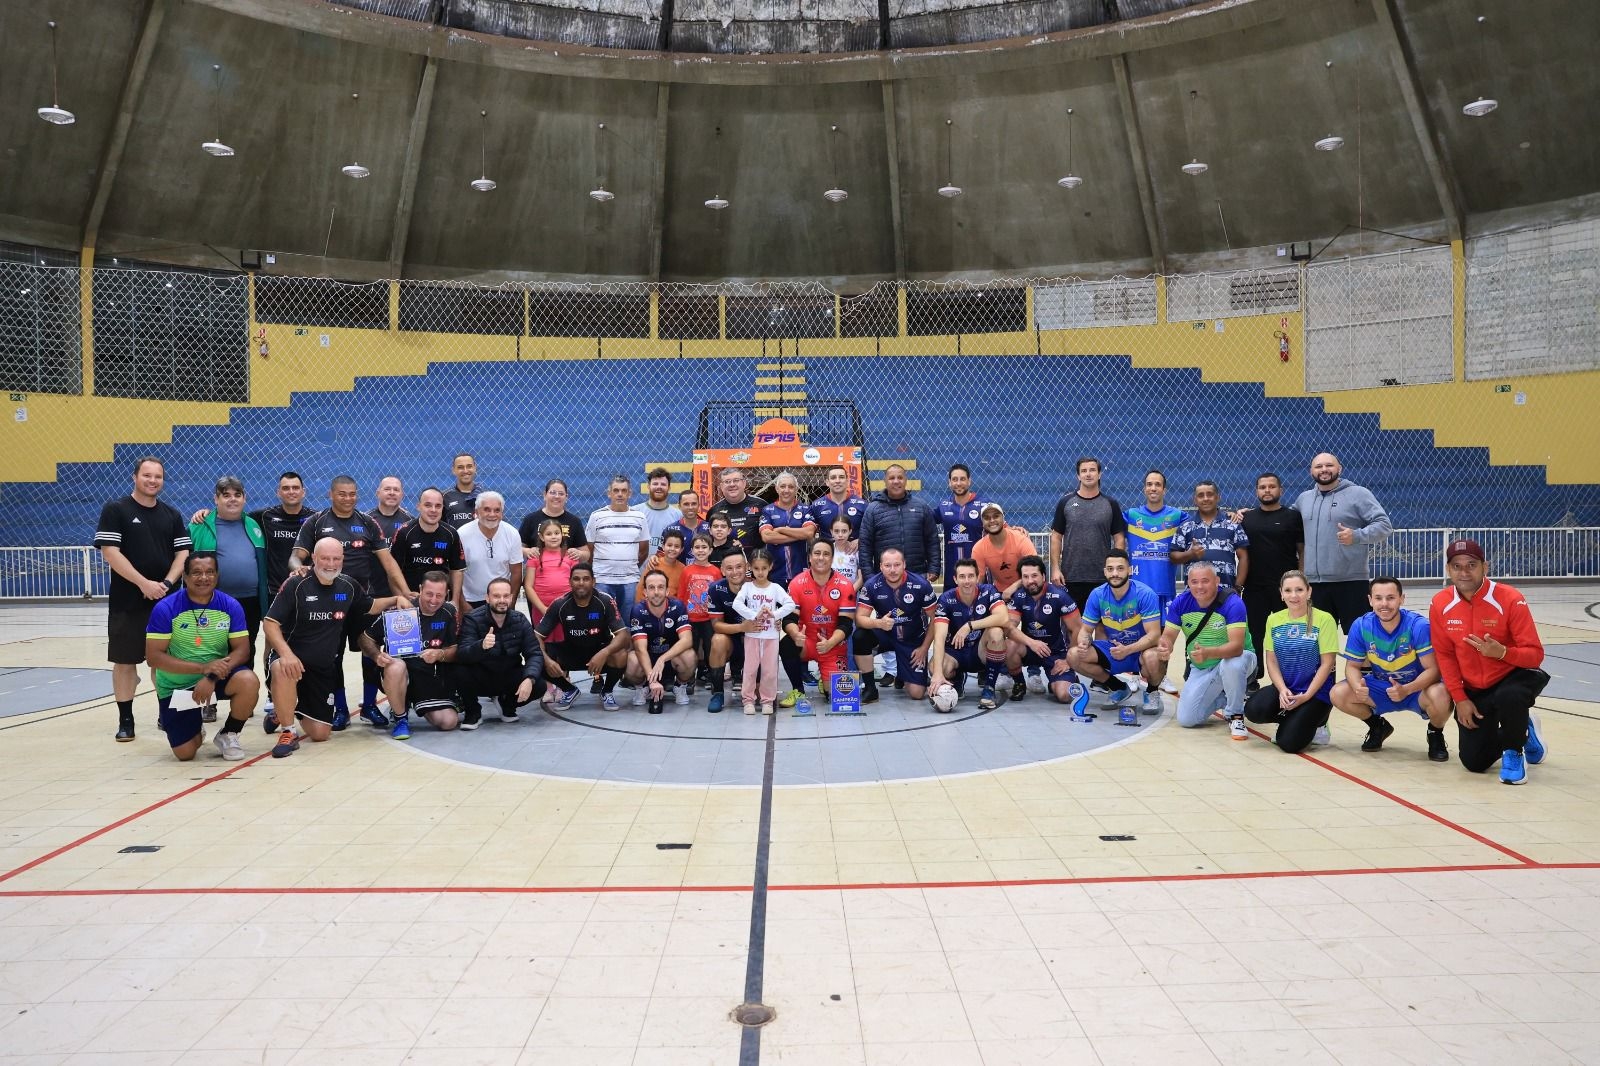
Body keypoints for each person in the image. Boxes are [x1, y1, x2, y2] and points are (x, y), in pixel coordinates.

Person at [291, 475, 413, 729]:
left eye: (352, 494)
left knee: (370, 652)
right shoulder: (316, 522)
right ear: (330, 494)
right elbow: (296, 556)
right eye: (342, 494)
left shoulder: (367, 522)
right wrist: (297, 568)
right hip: (328, 604)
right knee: (333, 656)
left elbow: (388, 562)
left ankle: (369, 705)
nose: (348, 498)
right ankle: (340, 709)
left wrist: (405, 592)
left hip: (362, 602)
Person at [261, 537, 398, 759]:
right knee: (282, 667)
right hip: (293, 661)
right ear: (314, 558)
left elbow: (370, 605)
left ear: (343, 559)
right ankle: (288, 731)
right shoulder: (297, 583)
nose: (331, 564)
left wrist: (396, 599)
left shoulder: (348, 585)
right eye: (325, 558)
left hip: (321, 669)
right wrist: (286, 654)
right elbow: (270, 623)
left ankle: (283, 708)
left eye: (336, 559)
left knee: (320, 734)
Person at [1429, 538, 1549, 784]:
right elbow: (1445, 655)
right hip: (1475, 687)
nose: (1464, 572)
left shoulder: (1510, 598)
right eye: (1457, 566)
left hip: (1514, 676)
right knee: (1474, 762)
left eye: (1471, 565)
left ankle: (1514, 753)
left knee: (1510, 696)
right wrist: (1460, 699)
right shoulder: (1440, 603)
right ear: (1448, 569)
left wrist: (1503, 653)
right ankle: (1524, 729)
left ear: (1485, 567)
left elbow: (1535, 654)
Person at [95, 456, 192, 742]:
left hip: (166, 603)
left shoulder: (171, 515)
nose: (153, 481)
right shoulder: (116, 510)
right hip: (128, 603)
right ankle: (126, 719)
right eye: (147, 475)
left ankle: (167, 714)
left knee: (166, 662)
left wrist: (166, 583)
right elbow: (110, 552)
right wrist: (143, 583)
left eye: (158, 476)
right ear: (135, 477)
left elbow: (182, 554)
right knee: (125, 661)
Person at [144, 553, 260, 761]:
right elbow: (154, 658)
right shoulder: (166, 608)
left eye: (210, 572)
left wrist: (211, 677)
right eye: (196, 573)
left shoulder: (230, 605)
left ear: (217, 576)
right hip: (177, 686)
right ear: (185, 577)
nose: (204, 578)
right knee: (185, 753)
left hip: (216, 677)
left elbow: (242, 651)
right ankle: (194, 728)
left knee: (248, 680)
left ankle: (229, 733)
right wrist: (203, 668)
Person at [1330, 577, 1452, 760]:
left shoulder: (1418, 626)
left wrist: (1407, 689)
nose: (1384, 604)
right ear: (1370, 600)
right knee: (1338, 693)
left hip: (1417, 688)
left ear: (1402, 599)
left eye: (1390, 598)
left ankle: (1435, 733)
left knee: (1441, 694)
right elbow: (1352, 666)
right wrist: (1357, 687)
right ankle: (1377, 726)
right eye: (1378, 598)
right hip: (1382, 686)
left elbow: (1434, 671)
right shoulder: (1361, 625)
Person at [187, 477, 268, 710]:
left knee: (246, 649)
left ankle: (243, 701)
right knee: (210, 651)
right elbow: (184, 563)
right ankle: (208, 703)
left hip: (250, 601)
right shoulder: (199, 526)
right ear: (216, 499)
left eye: (237, 495)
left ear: (244, 498)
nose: (232, 499)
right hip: (212, 601)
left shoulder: (254, 525)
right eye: (226, 495)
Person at [1157, 562, 1256, 737]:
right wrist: (1165, 646)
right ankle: (1224, 699)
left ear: (1216, 581)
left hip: (1239, 659)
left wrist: (1208, 652)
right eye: (1194, 582)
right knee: (1187, 719)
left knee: (1231, 666)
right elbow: (1168, 636)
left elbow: (1237, 648)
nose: (1199, 586)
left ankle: (1235, 715)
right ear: (1188, 583)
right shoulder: (1181, 602)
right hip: (1202, 666)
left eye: (1205, 581)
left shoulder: (1233, 603)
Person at [1242, 571, 1338, 754]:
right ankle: (1293, 717)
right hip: (1288, 687)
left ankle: (1320, 723)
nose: (1294, 595)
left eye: (1299, 590)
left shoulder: (1324, 619)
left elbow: (1327, 664)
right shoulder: (1274, 619)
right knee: (1253, 710)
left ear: (1309, 592)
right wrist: (1282, 689)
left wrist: (1307, 696)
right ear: (1281, 594)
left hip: (1316, 693)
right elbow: (1271, 660)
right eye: (1288, 590)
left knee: (1289, 744)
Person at [1295, 452, 1392, 631]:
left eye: (1329, 465)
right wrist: (1247, 515)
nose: (1324, 469)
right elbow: (1283, 521)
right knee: (1317, 640)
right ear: (1311, 471)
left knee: (1361, 639)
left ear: (1339, 469)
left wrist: (1356, 536)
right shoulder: (1304, 499)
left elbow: (1384, 525)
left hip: (1351, 582)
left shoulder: (1358, 494)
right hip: (1314, 585)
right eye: (1319, 466)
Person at [360, 570, 460, 737]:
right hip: (399, 675)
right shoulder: (400, 609)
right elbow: (365, 638)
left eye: (439, 595)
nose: (433, 600)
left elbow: (456, 650)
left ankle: (416, 702)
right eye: (429, 594)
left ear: (447, 594)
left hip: (428, 678)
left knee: (448, 722)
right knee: (396, 666)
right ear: (420, 589)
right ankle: (401, 718)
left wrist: (440, 654)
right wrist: (376, 655)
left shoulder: (449, 612)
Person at [1070, 550, 1163, 712]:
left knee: (1153, 657)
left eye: (1120, 568)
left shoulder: (1145, 594)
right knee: (1074, 655)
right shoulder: (1097, 594)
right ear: (1105, 572)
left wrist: (1128, 650)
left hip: (1141, 650)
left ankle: (1152, 691)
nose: (1115, 573)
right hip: (1114, 649)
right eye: (1110, 569)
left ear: (1130, 570)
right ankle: (1118, 687)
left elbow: (1154, 635)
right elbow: (1085, 630)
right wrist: (1084, 642)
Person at [536, 563, 631, 711]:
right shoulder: (560, 604)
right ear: (570, 582)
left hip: (599, 653)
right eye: (576, 579)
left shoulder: (605, 601)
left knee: (621, 653)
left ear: (593, 582)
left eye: (586, 579)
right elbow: (536, 636)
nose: (581, 583)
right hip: (571, 652)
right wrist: (547, 661)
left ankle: (607, 691)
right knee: (537, 656)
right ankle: (569, 690)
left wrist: (604, 652)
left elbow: (623, 635)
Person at [455, 576, 546, 729]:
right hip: (481, 676)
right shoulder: (472, 619)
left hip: (508, 674)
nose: (502, 600)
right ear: (487, 598)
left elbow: (534, 653)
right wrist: (481, 646)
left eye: (505, 596)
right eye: (496, 596)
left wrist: (529, 679)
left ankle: (507, 705)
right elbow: (462, 653)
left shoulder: (520, 620)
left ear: (511, 598)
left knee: (539, 685)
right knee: (459, 671)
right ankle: (473, 712)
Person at [1239, 473, 1304, 685]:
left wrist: (1300, 582)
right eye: (1262, 487)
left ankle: (1290, 680)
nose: (1267, 490)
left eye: (1272, 486)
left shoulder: (1293, 517)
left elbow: (1301, 550)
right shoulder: (1247, 518)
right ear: (1257, 491)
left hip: (1285, 589)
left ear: (1280, 490)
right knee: (1254, 634)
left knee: (1288, 635)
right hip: (1255, 588)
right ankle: (1252, 679)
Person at [761, 472, 818, 710]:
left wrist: (782, 530)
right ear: (776, 488)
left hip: (801, 579)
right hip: (775, 581)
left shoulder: (805, 509)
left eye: (790, 487)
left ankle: (805, 672)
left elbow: (809, 534)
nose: (786, 490)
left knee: (802, 626)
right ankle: (767, 678)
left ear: (796, 489)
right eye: (782, 486)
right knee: (776, 629)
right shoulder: (767, 510)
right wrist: (793, 533)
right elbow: (767, 536)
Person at [854, 548, 939, 702]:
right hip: (885, 635)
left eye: (897, 565)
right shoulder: (872, 585)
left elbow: (936, 619)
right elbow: (860, 619)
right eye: (887, 565)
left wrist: (924, 648)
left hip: (912, 639)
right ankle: (870, 689)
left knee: (917, 693)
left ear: (904, 564)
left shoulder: (921, 584)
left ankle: (903, 674)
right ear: (880, 566)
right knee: (860, 637)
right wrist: (878, 623)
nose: (892, 570)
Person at [927, 559, 1011, 710]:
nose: (967, 581)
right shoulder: (946, 599)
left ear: (978, 577)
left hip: (980, 650)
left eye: (971, 576)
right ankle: (957, 678)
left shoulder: (988, 591)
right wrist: (938, 674)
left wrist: (970, 626)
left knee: (997, 632)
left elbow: (1004, 618)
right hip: (955, 652)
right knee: (935, 667)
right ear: (955, 579)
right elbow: (939, 637)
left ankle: (989, 688)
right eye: (962, 576)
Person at [1049, 456, 1127, 611]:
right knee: (1073, 624)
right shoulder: (1065, 502)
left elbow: (1119, 539)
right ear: (1078, 476)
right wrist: (1055, 569)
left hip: (1102, 578)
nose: (1088, 474)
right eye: (1084, 471)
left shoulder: (1110, 504)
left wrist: (1114, 569)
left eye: (1092, 470)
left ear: (1099, 474)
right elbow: (1056, 537)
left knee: (1101, 622)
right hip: (1070, 577)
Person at [1007, 555, 1085, 706]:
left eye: (1034, 576)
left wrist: (1068, 661)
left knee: (1064, 696)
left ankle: (1060, 681)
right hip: (1030, 649)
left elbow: (1077, 629)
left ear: (1043, 576)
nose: (1030, 581)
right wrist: (1032, 643)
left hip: (1055, 652)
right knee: (1009, 645)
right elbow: (1009, 628)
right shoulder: (1018, 596)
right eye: (1025, 577)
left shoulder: (1059, 595)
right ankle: (1019, 683)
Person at [786, 539, 857, 697]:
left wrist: (830, 643)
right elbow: (789, 619)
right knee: (786, 642)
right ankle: (798, 690)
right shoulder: (796, 583)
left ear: (832, 558)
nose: (821, 558)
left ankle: (825, 679)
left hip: (833, 644)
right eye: (817, 553)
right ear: (809, 557)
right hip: (805, 642)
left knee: (839, 696)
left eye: (826, 554)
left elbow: (846, 624)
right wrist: (795, 634)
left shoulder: (845, 585)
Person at [731, 550, 798, 715]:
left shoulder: (775, 588)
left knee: (769, 670)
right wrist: (754, 615)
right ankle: (748, 700)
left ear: (770, 567)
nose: (760, 572)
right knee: (750, 669)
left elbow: (790, 604)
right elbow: (736, 604)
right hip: (752, 636)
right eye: (756, 568)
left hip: (771, 636)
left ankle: (767, 700)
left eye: (764, 568)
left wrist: (774, 614)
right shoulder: (747, 587)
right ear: (750, 568)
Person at [627, 570, 696, 713]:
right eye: (651, 588)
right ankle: (642, 687)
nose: (656, 592)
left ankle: (680, 686)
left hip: (671, 659)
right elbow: (640, 648)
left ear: (667, 591)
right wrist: (652, 680)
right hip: (647, 660)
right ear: (645, 592)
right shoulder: (638, 610)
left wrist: (662, 659)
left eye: (660, 587)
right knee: (632, 659)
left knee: (689, 655)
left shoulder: (678, 606)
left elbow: (687, 640)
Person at [390, 487, 467, 611]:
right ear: (418, 506)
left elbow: (457, 569)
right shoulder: (404, 532)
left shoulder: (451, 534)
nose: (433, 510)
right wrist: (400, 598)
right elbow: (392, 571)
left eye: (438, 506)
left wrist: (455, 601)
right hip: (411, 601)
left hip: (440, 601)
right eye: (428, 505)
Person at [859, 464, 939, 583]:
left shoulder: (921, 506)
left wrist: (934, 568)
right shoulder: (873, 510)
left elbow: (932, 540)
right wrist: (869, 576)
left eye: (900, 477)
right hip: (883, 578)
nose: (896, 481)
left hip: (917, 575)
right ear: (885, 481)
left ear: (906, 480)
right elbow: (865, 546)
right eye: (892, 478)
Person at [586, 475, 650, 621]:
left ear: (630, 493)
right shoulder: (596, 516)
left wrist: (627, 567)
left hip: (630, 581)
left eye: (623, 490)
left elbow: (644, 551)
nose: (620, 494)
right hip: (602, 580)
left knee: (628, 622)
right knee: (602, 622)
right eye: (616, 490)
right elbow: (589, 550)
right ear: (609, 493)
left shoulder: (639, 517)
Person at [1124, 470, 1184, 620]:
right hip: (1136, 591)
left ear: (1164, 490)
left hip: (1165, 590)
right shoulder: (1131, 515)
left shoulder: (1177, 516)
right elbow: (1105, 522)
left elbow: (1201, 519)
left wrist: (1227, 515)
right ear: (1144, 489)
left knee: (1164, 635)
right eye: (1149, 484)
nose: (1153, 488)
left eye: (1157, 484)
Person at [1171, 481, 1250, 592]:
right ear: (1195, 500)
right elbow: (1173, 557)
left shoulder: (1232, 523)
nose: (1206, 498)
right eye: (1201, 495)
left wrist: (1237, 588)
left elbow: (1243, 557)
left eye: (1210, 494)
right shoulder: (1186, 526)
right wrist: (1190, 554)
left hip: (1226, 592)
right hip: (1195, 593)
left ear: (1218, 497)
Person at [459, 491, 523, 610]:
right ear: (476, 511)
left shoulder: (512, 534)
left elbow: (516, 572)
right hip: (470, 600)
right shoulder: (462, 534)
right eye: (487, 509)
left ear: (502, 513)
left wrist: (511, 601)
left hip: (501, 600)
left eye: (497, 510)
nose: (492, 514)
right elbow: (456, 572)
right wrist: (462, 603)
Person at [705, 552, 752, 713]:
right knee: (718, 640)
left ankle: (760, 687)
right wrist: (741, 628)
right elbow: (716, 625)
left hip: (753, 638)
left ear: (747, 567)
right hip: (731, 639)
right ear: (723, 570)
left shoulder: (758, 586)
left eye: (739, 567)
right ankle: (718, 693)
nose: (735, 572)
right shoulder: (716, 589)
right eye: (729, 568)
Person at [678, 534, 723, 691]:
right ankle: (689, 678)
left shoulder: (715, 572)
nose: (701, 550)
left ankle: (712, 677)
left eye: (704, 547)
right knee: (691, 649)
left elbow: (718, 595)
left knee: (710, 648)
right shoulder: (686, 571)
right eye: (697, 547)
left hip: (709, 619)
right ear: (691, 550)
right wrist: (682, 616)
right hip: (690, 618)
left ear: (710, 550)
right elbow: (681, 595)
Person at [936, 463, 988, 588]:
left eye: (962, 479)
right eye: (955, 479)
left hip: (977, 568)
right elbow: (924, 522)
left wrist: (1016, 529)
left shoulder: (984, 504)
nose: (958, 483)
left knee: (978, 598)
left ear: (969, 481)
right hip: (952, 570)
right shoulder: (943, 506)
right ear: (949, 483)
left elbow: (1001, 526)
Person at [970, 502, 1033, 598]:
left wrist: (1014, 587)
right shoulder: (978, 548)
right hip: (999, 592)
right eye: (987, 518)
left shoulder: (1021, 539)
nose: (992, 520)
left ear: (1003, 519)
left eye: (996, 516)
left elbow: (1035, 569)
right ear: (982, 523)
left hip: (1027, 588)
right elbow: (978, 579)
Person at [518, 478, 590, 563]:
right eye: (552, 493)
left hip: (566, 570)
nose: (557, 496)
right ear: (545, 495)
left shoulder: (574, 521)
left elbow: (586, 554)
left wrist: (579, 554)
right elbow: (517, 548)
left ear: (566, 497)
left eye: (561, 493)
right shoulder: (530, 519)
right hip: (537, 569)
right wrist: (527, 551)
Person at [524, 518, 577, 630]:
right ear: (542, 537)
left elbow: (576, 584)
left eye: (557, 533)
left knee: (565, 637)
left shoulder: (571, 556)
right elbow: (528, 586)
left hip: (567, 608)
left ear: (562, 535)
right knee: (543, 637)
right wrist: (542, 608)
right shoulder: (535, 557)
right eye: (549, 534)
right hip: (541, 609)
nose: (553, 536)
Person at [707, 468, 767, 554]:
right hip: (725, 560)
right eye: (727, 482)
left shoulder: (761, 505)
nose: (732, 484)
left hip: (757, 560)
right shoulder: (714, 510)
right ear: (721, 486)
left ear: (744, 483)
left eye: (736, 480)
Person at [810, 466, 869, 544]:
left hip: (855, 551)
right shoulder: (816, 506)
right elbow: (809, 534)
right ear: (827, 482)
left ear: (847, 481)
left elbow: (872, 531)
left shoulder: (862, 505)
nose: (837, 481)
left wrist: (860, 541)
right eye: (833, 478)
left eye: (841, 477)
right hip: (828, 551)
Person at [634, 467, 682, 552]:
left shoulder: (678, 516)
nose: (659, 487)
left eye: (663, 484)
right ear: (648, 486)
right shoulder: (635, 513)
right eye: (655, 484)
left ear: (669, 488)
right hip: (639, 561)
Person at [637, 528, 687, 605]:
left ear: (681, 549)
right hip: (651, 606)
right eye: (669, 545)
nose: (672, 549)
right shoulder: (654, 564)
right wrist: (641, 607)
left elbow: (682, 594)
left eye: (676, 546)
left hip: (673, 608)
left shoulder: (683, 569)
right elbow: (641, 588)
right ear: (663, 546)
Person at [442, 453, 485, 530]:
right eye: (460, 467)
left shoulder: (486, 497)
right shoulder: (445, 497)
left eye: (469, 466)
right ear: (453, 470)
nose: (465, 471)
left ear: (475, 468)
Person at [369, 476, 414, 543]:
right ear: (378, 493)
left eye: (396, 490)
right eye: (387, 489)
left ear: (402, 495)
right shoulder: (366, 520)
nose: (392, 493)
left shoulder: (410, 521)